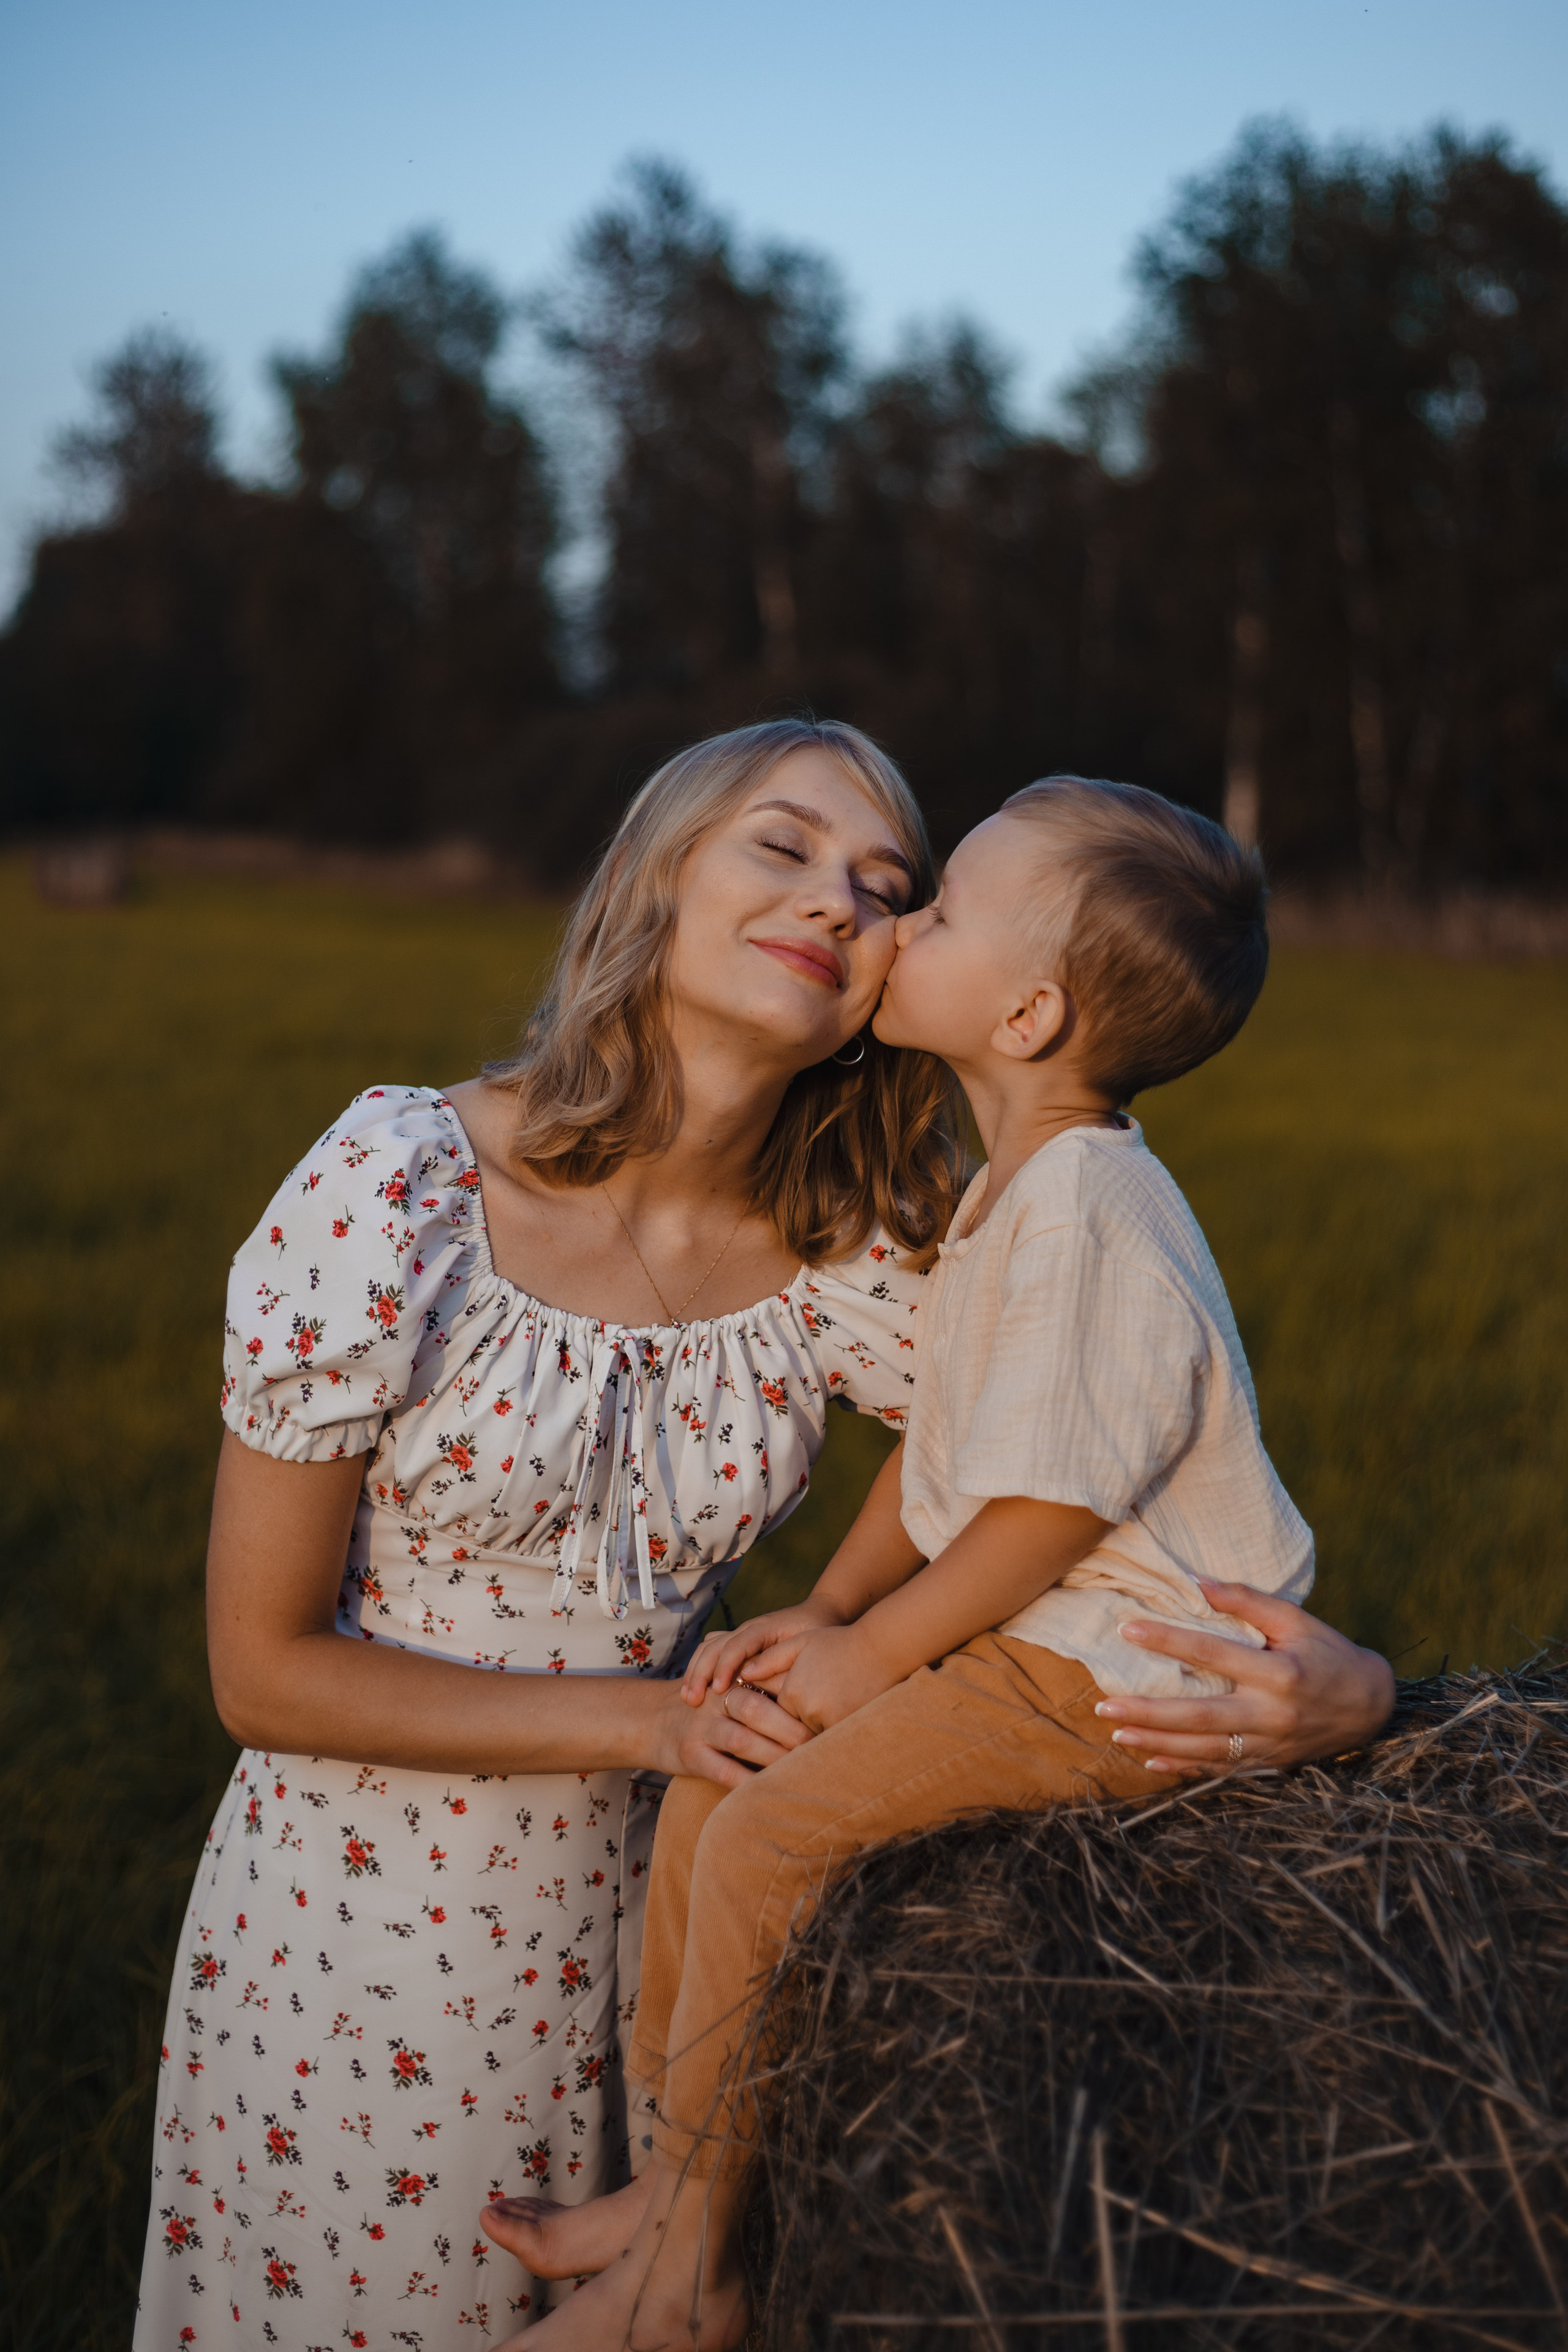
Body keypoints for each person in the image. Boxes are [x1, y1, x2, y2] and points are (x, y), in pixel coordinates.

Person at [482, 775, 1395, 2351]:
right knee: (719, 1785)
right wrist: (822, 1609)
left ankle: (689, 2276)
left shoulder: (1089, 1206)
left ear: (1028, 1015)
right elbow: (943, 1450)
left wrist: (867, 1654)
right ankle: (679, 2169)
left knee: (769, 1844)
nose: (894, 925)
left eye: (941, 908)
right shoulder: (1017, 1190)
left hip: (1115, 1671)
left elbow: (1036, 1515)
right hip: (1038, 1643)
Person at [132, 718, 967, 2346]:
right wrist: (665, 1720)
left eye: (888, 890)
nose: (838, 902)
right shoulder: (402, 1188)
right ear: (656, 881)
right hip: (355, 1948)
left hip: (670, 1939)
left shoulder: (844, 1253)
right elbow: (263, 1673)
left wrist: (852, 1630)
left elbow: (1049, 1446)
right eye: (782, 847)